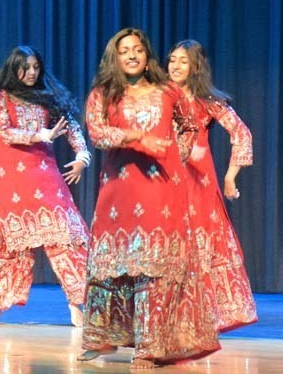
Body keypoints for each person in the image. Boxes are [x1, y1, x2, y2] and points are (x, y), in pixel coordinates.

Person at [77, 28, 220, 369]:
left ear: (147, 55)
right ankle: (102, 337)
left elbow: (190, 125)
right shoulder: (102, 94)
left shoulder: (168, 91)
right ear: (114, 57)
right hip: (118, 192)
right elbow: (98, 135)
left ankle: (149, 348)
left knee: (154, 270)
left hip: (161, 191)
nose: (132, 55)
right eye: (124, 50)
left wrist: (175, 158)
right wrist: (138, 138)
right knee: (109, 268)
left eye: (138, 49)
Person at [0, 46, 91, 327]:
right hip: (10, 180)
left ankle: (76, 305)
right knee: (7, 244)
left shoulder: (47, 98)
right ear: (13, 68)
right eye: (25, 67)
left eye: (36, 67)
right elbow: (5, 131)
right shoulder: (1, 97)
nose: (31, 72)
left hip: (43, 176)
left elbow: (72, 127)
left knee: (65, 238)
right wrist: (41, 134)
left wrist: (82, 156)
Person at [167, 39, 257, 331]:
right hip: (165, 180)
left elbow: (242, 134)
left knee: (201, 243)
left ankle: (206, 314)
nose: (175, 66)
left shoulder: (208, 101)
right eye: (172, 60)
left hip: (198, 180)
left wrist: (230, 177)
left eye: (183, 61)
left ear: (196, 67)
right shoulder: (160, 97)